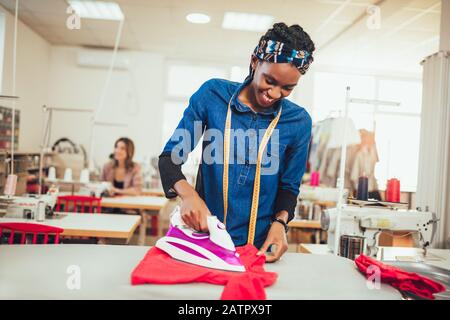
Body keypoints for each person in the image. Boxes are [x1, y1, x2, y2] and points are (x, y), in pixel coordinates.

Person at [159, 23, 314, 262]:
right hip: (204, 241)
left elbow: (289, 188)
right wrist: (189, 195)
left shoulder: (298, 121)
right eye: (270, 80)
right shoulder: (213, 96)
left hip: (259, 248)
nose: (274, 93)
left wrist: (280, 223)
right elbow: (169, 159)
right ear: (254, 61)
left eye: (287, 88)